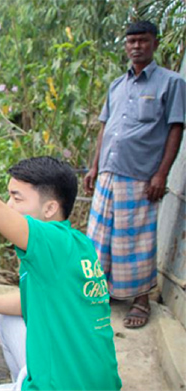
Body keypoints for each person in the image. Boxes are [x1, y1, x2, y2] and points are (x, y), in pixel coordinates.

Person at [0, 157, 122, 390]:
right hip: (95, 383)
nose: (8, 206)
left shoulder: (49, 241)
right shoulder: (79, 244)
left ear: (50, 208)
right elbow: (29, 301)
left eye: (16, 198)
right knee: (6, 317)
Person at [84, 21, 185, 329]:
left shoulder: (171, 83)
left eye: (142, 40)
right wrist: (94, 166)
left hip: (141, 176)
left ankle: (141, 299)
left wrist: (161, 175)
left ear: (154, 43)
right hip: (109, 175)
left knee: (134, 240)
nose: (136, 46)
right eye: (131, 41)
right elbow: (106, 128)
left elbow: (175, 128)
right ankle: (105, 291)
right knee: (99, 238)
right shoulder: (117, 85)